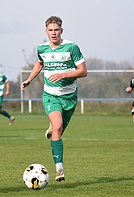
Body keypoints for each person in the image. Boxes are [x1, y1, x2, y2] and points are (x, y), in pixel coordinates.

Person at [21, 16, 87, 182]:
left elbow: (83, 71)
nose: (53, 33)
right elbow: (39, 63)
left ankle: (53, 127)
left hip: (69, 97)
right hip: (50, 95)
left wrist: (64, 74)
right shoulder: (42, 49)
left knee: (58, 130)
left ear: (61, 31)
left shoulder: (71, 47)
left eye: (56, 30)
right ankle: (59, 170)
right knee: (57, 126)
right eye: (50, 30)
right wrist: (30, 79)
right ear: (46, 32)